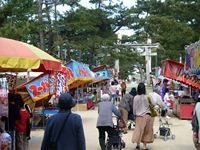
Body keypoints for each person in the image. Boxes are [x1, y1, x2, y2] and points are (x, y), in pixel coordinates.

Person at [132, 83, 155, 150]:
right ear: (144, 89)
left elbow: (134, 108)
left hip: (139, 116)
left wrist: (134, 114)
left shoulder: (136, 97)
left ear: (138, 89)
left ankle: (138, 144)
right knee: (147, 131)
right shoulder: (148, 97)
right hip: (148, 116)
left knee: (139, 130)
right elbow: (153, 104)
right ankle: (144, 146)